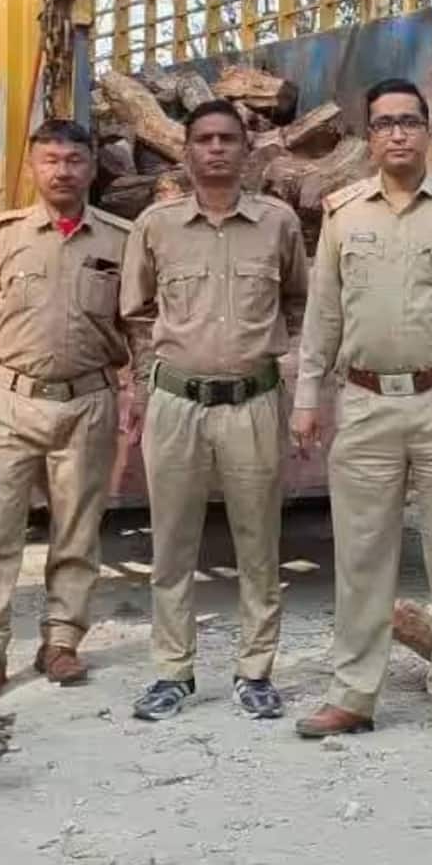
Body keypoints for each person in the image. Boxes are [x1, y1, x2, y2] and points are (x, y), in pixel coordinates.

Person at [289, 78, 432, 743]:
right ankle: (354, 694)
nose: (397, 133)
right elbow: (322, 316)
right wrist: (308, 398)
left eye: (409, 122)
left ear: (427, 131)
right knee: (361, 554)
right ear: (369, 136)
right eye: (384, 123)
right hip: (363, 403)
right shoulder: (343, 215)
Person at [120, 98, 308, 723]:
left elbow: (301, 303)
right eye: (204, 139)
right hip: (176, 402)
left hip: (253, 402)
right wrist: (138, 390)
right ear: (187, 150)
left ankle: (256, 670)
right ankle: (173, 671)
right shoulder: (157, 225)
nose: (217, 149)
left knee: (259, 543)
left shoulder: (278, 223)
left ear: (247, 149)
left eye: (229, 138)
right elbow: (136, 314)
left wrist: (298, 381)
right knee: (174, 544)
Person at [0, 119, 131, 698]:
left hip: (88, 402)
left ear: (92, 166)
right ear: (33, 167)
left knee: (77, 531)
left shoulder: (119, 241)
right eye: (50, 160)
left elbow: (140, 328)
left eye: (74, 160)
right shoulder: (3, 237)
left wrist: (136, 397)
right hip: (10, 400)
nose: (62, 171)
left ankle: (62, 641)